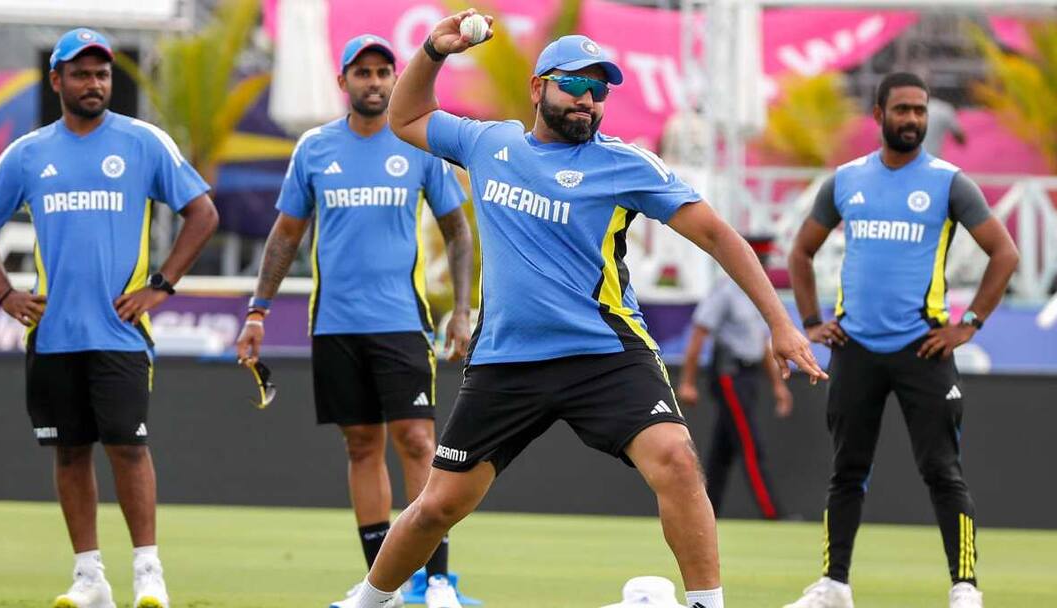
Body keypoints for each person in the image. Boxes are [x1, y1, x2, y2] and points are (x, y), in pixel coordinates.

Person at [337, 11, 827, 608]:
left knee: (676, 459)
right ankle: (367, 602)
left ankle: (707, 604)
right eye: (574, 84)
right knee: (438, 505)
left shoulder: (625, 164)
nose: (588, 100)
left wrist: (780, 323)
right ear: (538, 87)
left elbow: (719, 236)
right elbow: (406, 117)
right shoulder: (489, 144)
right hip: (507, 360)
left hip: (604, 352)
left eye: (599, 91)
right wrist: (433, 51)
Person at [0, 28, 218, 608]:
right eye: (81, 74)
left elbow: (203, 213)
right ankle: (90, 578)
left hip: (120, 334)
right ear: (56, 80)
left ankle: (148, 573)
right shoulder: (28, 153)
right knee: (68, 451)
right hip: (52, 333)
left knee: (129, 448)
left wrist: (161, 285)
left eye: (102, 74)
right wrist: (3, 291)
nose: (94, 83)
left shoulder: (142, 142)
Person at [234, 34, 473, 608]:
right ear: (343, 82)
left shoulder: (416, 143)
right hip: (336, 325)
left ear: (395, 79)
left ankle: (436, 581)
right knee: (362, 446)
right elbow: (285, 236)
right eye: (362, 72)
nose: (374, 81)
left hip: (402, 323)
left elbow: (458, 232)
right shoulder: (315, 148)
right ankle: (382, 587)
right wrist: (257, 310)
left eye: (383, 72)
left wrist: (462, 311)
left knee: (418, 442)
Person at [784, 72, 1019, 608]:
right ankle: (834, 586)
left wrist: (970, 324)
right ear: (879, 114)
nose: (913, 119)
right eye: (903, 109)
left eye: (920, 110)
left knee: (943, 472)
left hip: (923, 349)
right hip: (855, 350)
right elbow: (800, 252)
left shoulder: (949, 182)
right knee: (847, 473)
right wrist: (813, 321)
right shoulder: (845, 181)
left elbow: (1004, 254)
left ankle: (965, 588)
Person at [677, 235, 793, 520]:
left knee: (722, 451)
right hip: (729, 375)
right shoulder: (725, 292)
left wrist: (778, 385)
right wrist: (688, 382)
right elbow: (698, 335)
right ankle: (772, 513)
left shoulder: (758, 294)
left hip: (749, 376)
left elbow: (762, 343)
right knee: (750, 444)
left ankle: (706, 512)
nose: (763, 267)